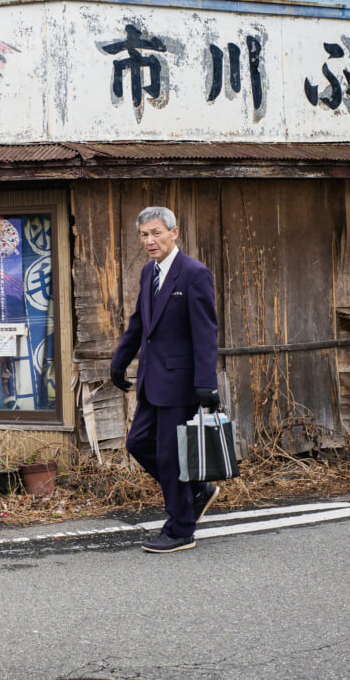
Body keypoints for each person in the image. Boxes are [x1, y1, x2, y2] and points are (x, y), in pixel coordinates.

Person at [111, 206, 221, 553]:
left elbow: (206, 332)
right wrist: (120, 361)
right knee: (138, 444)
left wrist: (206, 381)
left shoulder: (194, 273)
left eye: (156, 232)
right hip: (150, 380)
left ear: (175, 232)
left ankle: (180, 529)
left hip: (180, 381)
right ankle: (196, 491)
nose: (150, 240)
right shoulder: (149, 273)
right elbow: (139, 323)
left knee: (171, 456)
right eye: (144, 234)